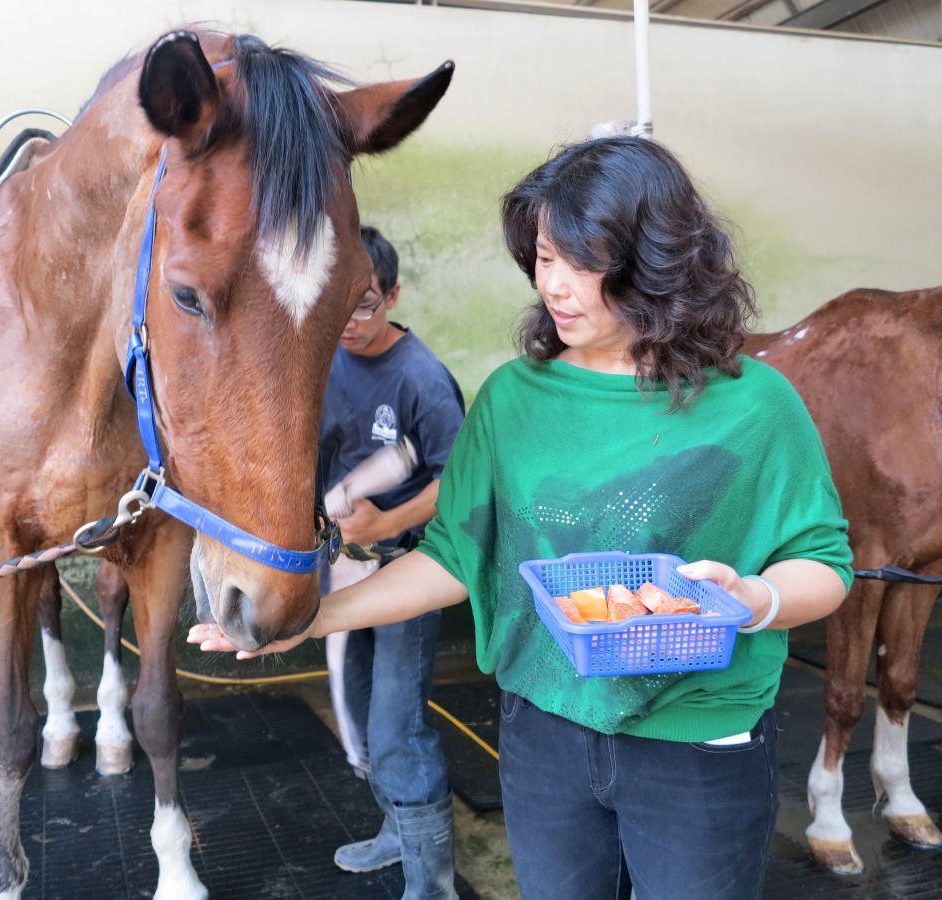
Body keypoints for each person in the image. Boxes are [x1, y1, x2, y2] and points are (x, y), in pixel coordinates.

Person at [191, 136, 853, 900]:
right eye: (543, 258)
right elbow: (451, 557)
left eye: (583, 261)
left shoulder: (756, 406)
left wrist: (753, 600)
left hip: (699, 745)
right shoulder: (513, 398)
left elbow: (825, 564)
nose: (555, 287)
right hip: (545, 736)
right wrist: (314, 618)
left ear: (658, 260)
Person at [316, 224, 465, 900]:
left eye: (366, 304)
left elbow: (456, 486)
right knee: (364, 715)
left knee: (397, 728)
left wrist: (388, 520)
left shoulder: (424, 381)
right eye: (337, 304)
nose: (349, 322)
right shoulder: (325, 356)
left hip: (408, 569)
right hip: (347, 565)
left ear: (394, 294)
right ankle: (394, 832)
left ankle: (429, 884)